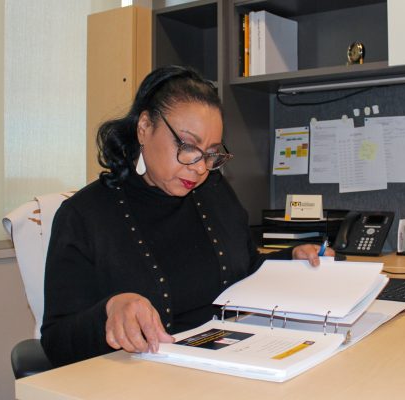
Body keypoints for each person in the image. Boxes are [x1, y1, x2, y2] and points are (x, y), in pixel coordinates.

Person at [41, 65, 334, 367]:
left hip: (231, 364)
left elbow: (244, 271)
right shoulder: (85, 215)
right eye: (188, 146)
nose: (199, 167)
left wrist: (292, 260)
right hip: (143, 378)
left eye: (210, 153)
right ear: (144, 127)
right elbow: (56, 341)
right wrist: (110, 310)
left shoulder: (215, 193)